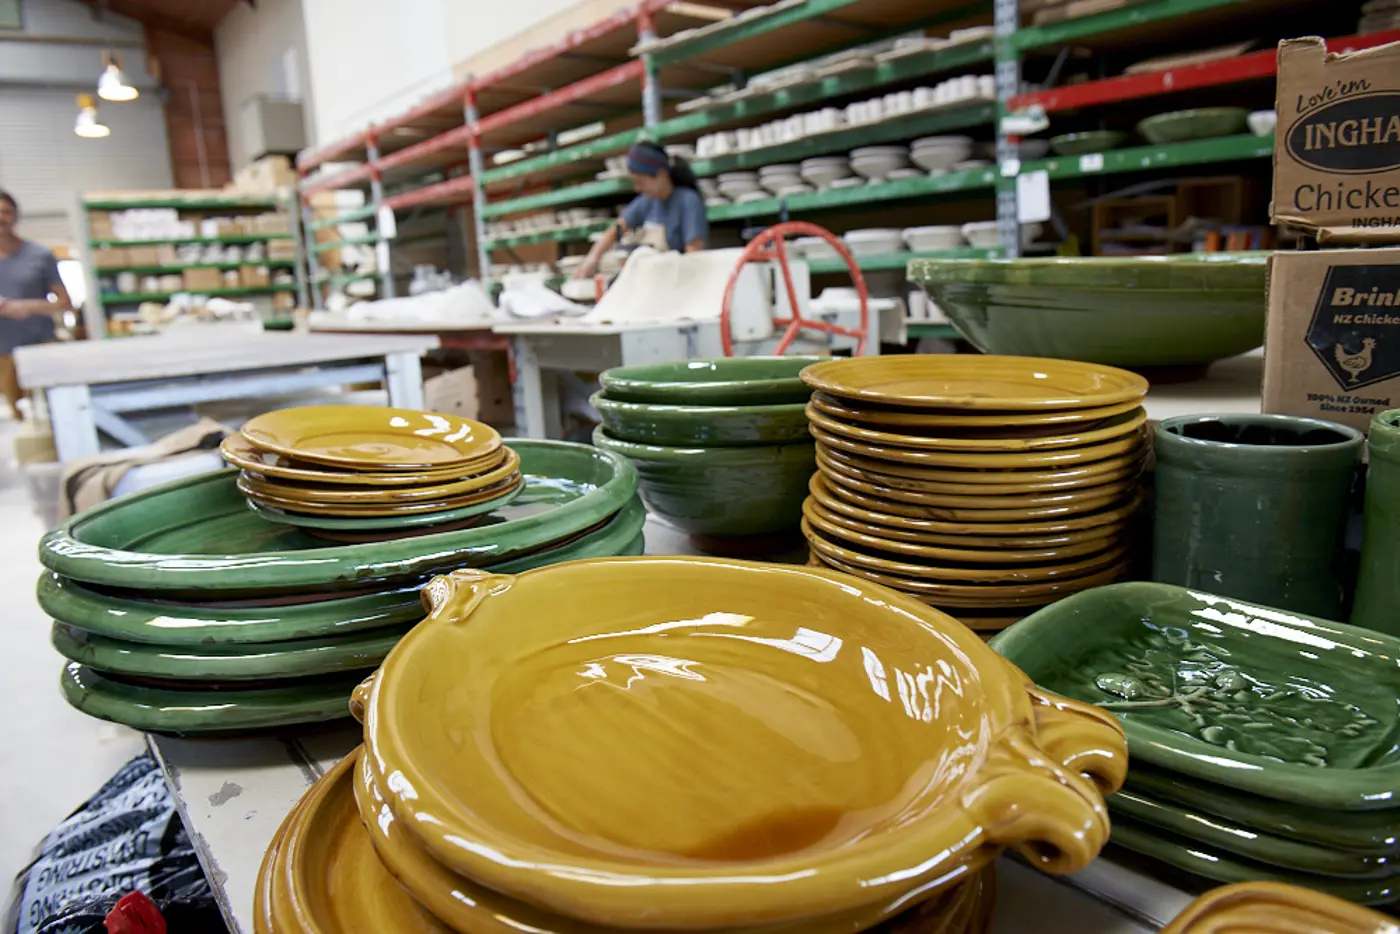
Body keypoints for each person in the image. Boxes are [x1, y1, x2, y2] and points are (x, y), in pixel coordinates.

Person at [573, 142, 708, 278]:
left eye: (640, 182)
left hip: (679, 279)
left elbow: (694, 253)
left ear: (661, 175)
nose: (637, 188)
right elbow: (617, 231)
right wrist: (592, 258)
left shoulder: (688, 201)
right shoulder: (646, 202)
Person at [0, 190, 71, 419]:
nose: (1, 217)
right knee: (18, 419)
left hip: (41, 346)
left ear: (16, 216)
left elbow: (64, 302)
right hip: (3, 354)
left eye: (6, 212)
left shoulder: (40, 254)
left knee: (52, 414)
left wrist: (28, 307)